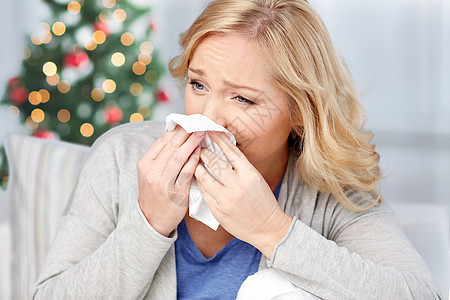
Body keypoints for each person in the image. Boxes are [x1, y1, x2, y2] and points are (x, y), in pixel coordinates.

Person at [33, 0, 441, 299]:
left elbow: (420, 295)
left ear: (300, 112)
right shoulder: (122, 157)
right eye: (198, 85)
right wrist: (149, 222)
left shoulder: (330, 187)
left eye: (242, 99)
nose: (210, 116)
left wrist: (272, 230)